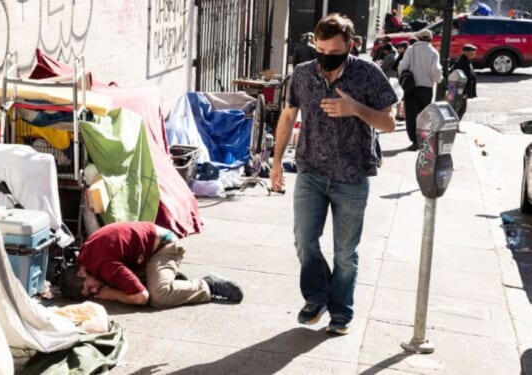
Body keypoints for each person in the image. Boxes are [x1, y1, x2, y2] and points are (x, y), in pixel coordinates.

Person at [269, 14, 397, 335]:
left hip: (352, 176)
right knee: (304, 241)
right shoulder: (301, 74)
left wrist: (357, 109)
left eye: (334, 50)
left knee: (345, 253)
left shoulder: (368, 74)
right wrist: (275, 164)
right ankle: (316, 297)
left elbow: (390, 122)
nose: (325, 56)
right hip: (310, 171)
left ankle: (341, 311)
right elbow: (287, 117)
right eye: (320, 49)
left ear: (350, 46)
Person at [58, 222, 243, 308]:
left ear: (82, 272)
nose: (95, 292)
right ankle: (168, 280)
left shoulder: (103, 263)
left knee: (158, 296)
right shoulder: (86, 260)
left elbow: (141, 297)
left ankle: (207, 285)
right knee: (120, 286)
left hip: (165, 247)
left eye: (90, 288)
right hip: (143, 254)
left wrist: (111, 295)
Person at [398, 29, 442, 151]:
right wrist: (437, 80)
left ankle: (414, 141)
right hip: (426, 87)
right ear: (430, 39)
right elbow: (436, 70)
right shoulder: (433, 52)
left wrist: (404, 76)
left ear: (418, 38)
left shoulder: (410, 50)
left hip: (411, 87)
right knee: (425, 115)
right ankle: (423, 140)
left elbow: (402, 66)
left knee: (411, 115)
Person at [450, 44, 478, 121]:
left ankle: (456, 125)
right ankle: (455, 125)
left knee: (461, 108)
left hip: (463, 91)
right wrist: (464, 92)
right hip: (461, 91)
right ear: (466, 52)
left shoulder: (467, 61)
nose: (474, 54)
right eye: (472, 52)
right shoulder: (462, 63)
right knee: (460, 108)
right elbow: (463, 79)